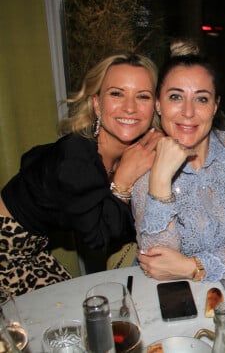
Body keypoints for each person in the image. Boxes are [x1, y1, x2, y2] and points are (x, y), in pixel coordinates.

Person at [0, 53, 162, 296]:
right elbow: (96, 239)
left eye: (142, 96)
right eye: (116, 93)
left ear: (155, 107)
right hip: (6, 252)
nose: (130, 107)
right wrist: (123, 181)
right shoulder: (76, 154)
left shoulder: (131, 152)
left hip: (30, 249)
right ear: (97, 104)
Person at [133, 41, 225, 282]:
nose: (188, 112)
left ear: (215, 106)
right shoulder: (142, 165)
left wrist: (195, 266)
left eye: (201, 99)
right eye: (176, 97)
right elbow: (157, 265)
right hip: (175, 297)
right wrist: (159, 181)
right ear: (158, 104)